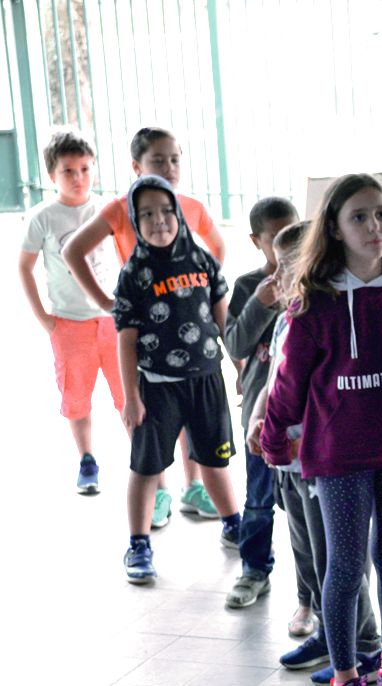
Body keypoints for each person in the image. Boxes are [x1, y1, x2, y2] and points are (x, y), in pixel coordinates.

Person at [260, 174, 382, 686]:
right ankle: (346, 683)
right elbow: (290, 381)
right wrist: (276, 435)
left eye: (381, 214)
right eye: (360, 216)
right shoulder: (315, 303)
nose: (375, 226)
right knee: (346, 566)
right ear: (334, 226)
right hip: (338, 455)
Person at [63, 126, 227, 526]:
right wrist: (107, 301)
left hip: (190, 337)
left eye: (175, 158)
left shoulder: (188, 205)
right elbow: (73, 250)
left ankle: (194, 486)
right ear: (136, 167)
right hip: (147, 329)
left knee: (195, 417)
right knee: (153, 424)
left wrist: (200, 300)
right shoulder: (124, 207)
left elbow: (217, 249)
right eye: (157, 160)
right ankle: (159, 493)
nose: (168, 167)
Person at [246, 221, 382, 685]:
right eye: (277, 265)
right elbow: (276, 380)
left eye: (288, 266)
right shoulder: (287, 317)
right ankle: (330, 633)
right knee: (308, 551)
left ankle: (363, 644)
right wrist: (259, 418)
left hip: (323, 456)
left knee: (338, 558)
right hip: (289, 455)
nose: (277, 276)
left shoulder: (334, 317)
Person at [114, 176, 241, 584]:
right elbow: (127, 341)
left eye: (166, 211)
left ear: (179, 214)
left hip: (205, 380)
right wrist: (131, 397)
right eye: (146, 214)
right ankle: (138, 545)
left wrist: (240, 368)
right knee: (146, 467)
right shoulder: (135, 272)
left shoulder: (201, 260)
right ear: (135, 221)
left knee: (214, 460)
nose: (159, 221)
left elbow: (223, 319)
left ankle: (234, 524)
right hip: (157, 385)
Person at [18, 131, 122, 495]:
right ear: (52, 176)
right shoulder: (42, 218)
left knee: (127, 393)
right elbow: (24, 267)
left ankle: (146, 463)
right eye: (68, 171)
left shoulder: (108, 210)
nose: (78, 178)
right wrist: (45, 319)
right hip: (69, 325)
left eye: (84, 168)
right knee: (77, 396)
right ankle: (87, 460)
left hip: (113, 322)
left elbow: (125, 255)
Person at [224, 197, 299, 610]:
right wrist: (261, 303)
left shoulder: (314, 279)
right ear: (257, 241)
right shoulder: (248, 287)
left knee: (307, 505)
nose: (287, 245)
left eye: (295, 232)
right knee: (258, 498)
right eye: (276, 238)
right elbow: (235, 343)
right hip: (260, 412)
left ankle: (311, 590)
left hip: (304, 418)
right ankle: (254, 569)